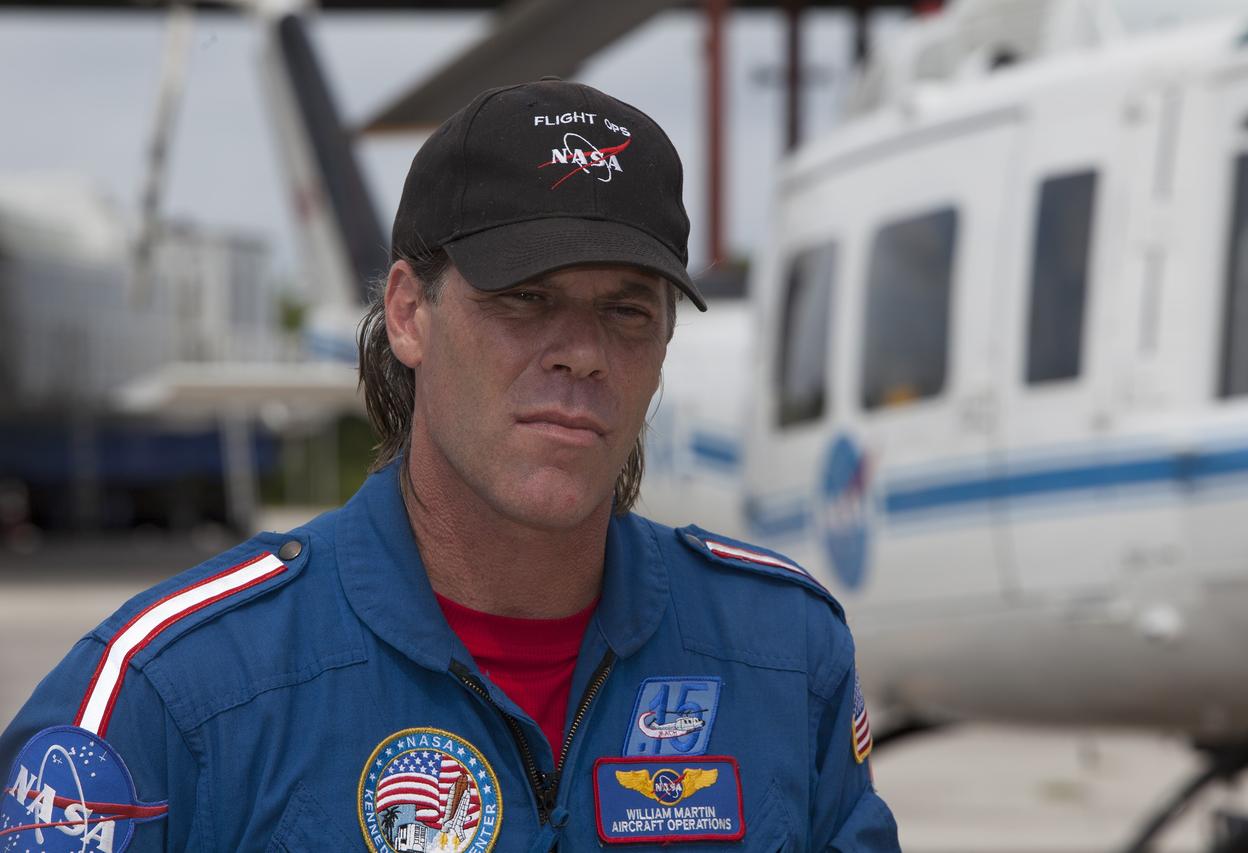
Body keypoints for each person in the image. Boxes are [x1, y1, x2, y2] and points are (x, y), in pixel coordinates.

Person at [0, 78, 899, 851]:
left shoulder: (785, 657)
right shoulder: (177, 692)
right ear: (407, 313)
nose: (581, 351)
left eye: (628, 310)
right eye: (525, 298)